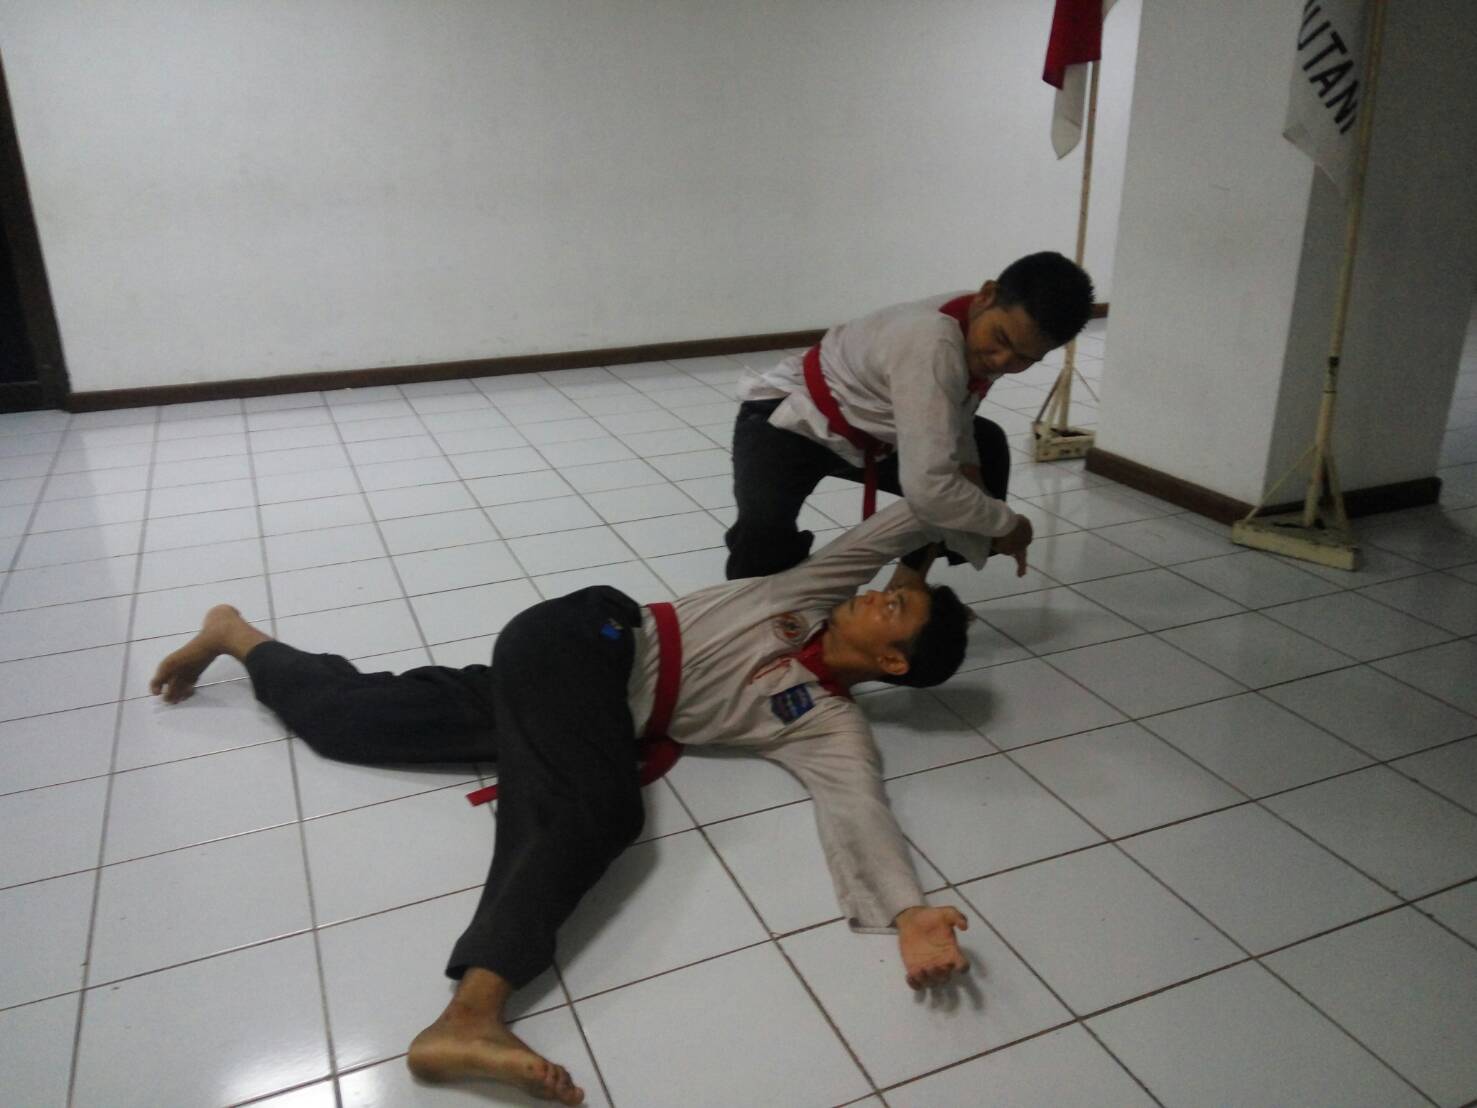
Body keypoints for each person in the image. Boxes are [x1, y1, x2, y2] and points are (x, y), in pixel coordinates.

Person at [149, 500, 975, 1106]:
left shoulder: (826, 723)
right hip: (589, 638)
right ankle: (471, 1014)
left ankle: (234, 634)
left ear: (893, 664)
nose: (877, 595)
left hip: (569, 698)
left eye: (893, 609)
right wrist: (984, 515)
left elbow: (858, 806)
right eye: (887, 591)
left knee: (352, 722)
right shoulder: (806, 590)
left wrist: (909, 914)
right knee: (598, 806)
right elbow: (901, 521)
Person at [725, 250, 1095, 580]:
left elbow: (958, 419)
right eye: (1001, 340)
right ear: (987, 295)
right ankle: (742, 619)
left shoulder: (978, 323)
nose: (1002, 361)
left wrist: (978, 491)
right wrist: (1006, 524)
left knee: (985, 447)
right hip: (793, 419)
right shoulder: (932, 340)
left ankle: (909, 587)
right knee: (762, 536)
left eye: (1025, 358)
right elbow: (930, 489)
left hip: (877, 432)